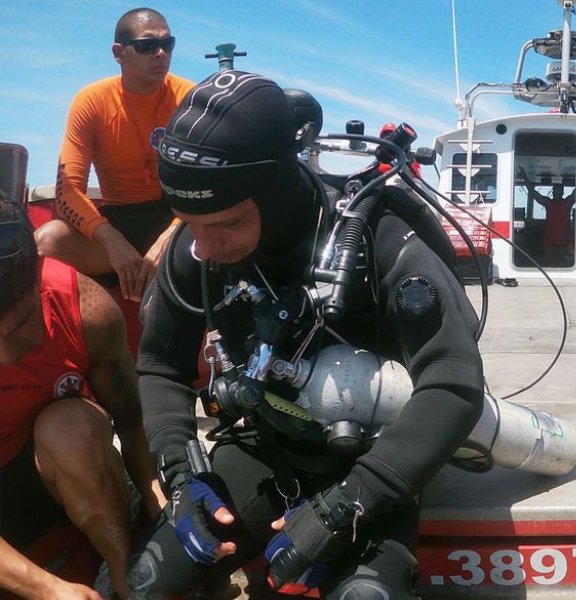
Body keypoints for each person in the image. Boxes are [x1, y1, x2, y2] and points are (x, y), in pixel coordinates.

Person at [126, 71, 484, 599]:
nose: (203, 245)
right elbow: (160, 365)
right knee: (148, 580)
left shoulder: (376, 235)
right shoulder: (195, 246)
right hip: (266, 442)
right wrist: (180, 475)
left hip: (374, 457)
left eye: (224, 224)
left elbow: (454, 383)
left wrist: (351, 502)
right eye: (187, 222)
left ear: (275, 192)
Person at [0, 195, 163, 599]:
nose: (6, 355)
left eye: (20, 324)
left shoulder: (86, 310)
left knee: (72, 426)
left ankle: (128, 579)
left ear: (39, 277)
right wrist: (49, 590)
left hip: (47, 475)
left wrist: (162, 506)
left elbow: (132, 420)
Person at [35, 7, 193, 302]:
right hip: (118, 221)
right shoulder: (92, 101)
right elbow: (68, 190)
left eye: (167, 44)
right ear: (119, 53)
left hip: (177, 217)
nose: (161, 53)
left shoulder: (191, 99)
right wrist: (111, 240)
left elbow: (205, 186)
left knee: (226, 239)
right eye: (147, 46)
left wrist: (169, 237)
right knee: (48, 240)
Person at [517, 167, 576, 265]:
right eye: (555, 190)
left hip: (564, 238)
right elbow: (532, 192)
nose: (556, 192)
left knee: (561, 263)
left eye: (559, 190)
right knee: (548, 263)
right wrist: (524, 177)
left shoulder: (567, 202)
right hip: (549, 238)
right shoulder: (548, 202)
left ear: (562, 192)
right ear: (552, 192)